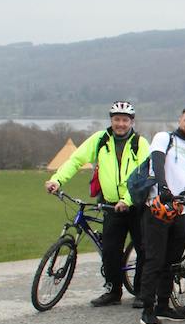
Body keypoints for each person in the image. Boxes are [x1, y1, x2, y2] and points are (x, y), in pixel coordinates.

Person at [44, 101, 150, 307]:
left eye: (125, 120)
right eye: (117, 119)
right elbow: (75, 160)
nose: (120, 124)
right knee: (110, 250)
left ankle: (141, 292)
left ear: (131, 122)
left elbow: (143, 175)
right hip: (110, 206)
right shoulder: (100, 140)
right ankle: (113, 291)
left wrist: (127, 200)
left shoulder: (140, 143)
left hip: (136, 204)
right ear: (111, 120)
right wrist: (57, 180)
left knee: (143, 248)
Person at [137, 107, 185, 324]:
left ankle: (163, 305)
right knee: (154, 260)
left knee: (172, 262)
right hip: (158, 208)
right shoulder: (164, 138)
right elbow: (156, 162)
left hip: (181, 212)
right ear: (180, 120)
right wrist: (163, 186)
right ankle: (147, 309)